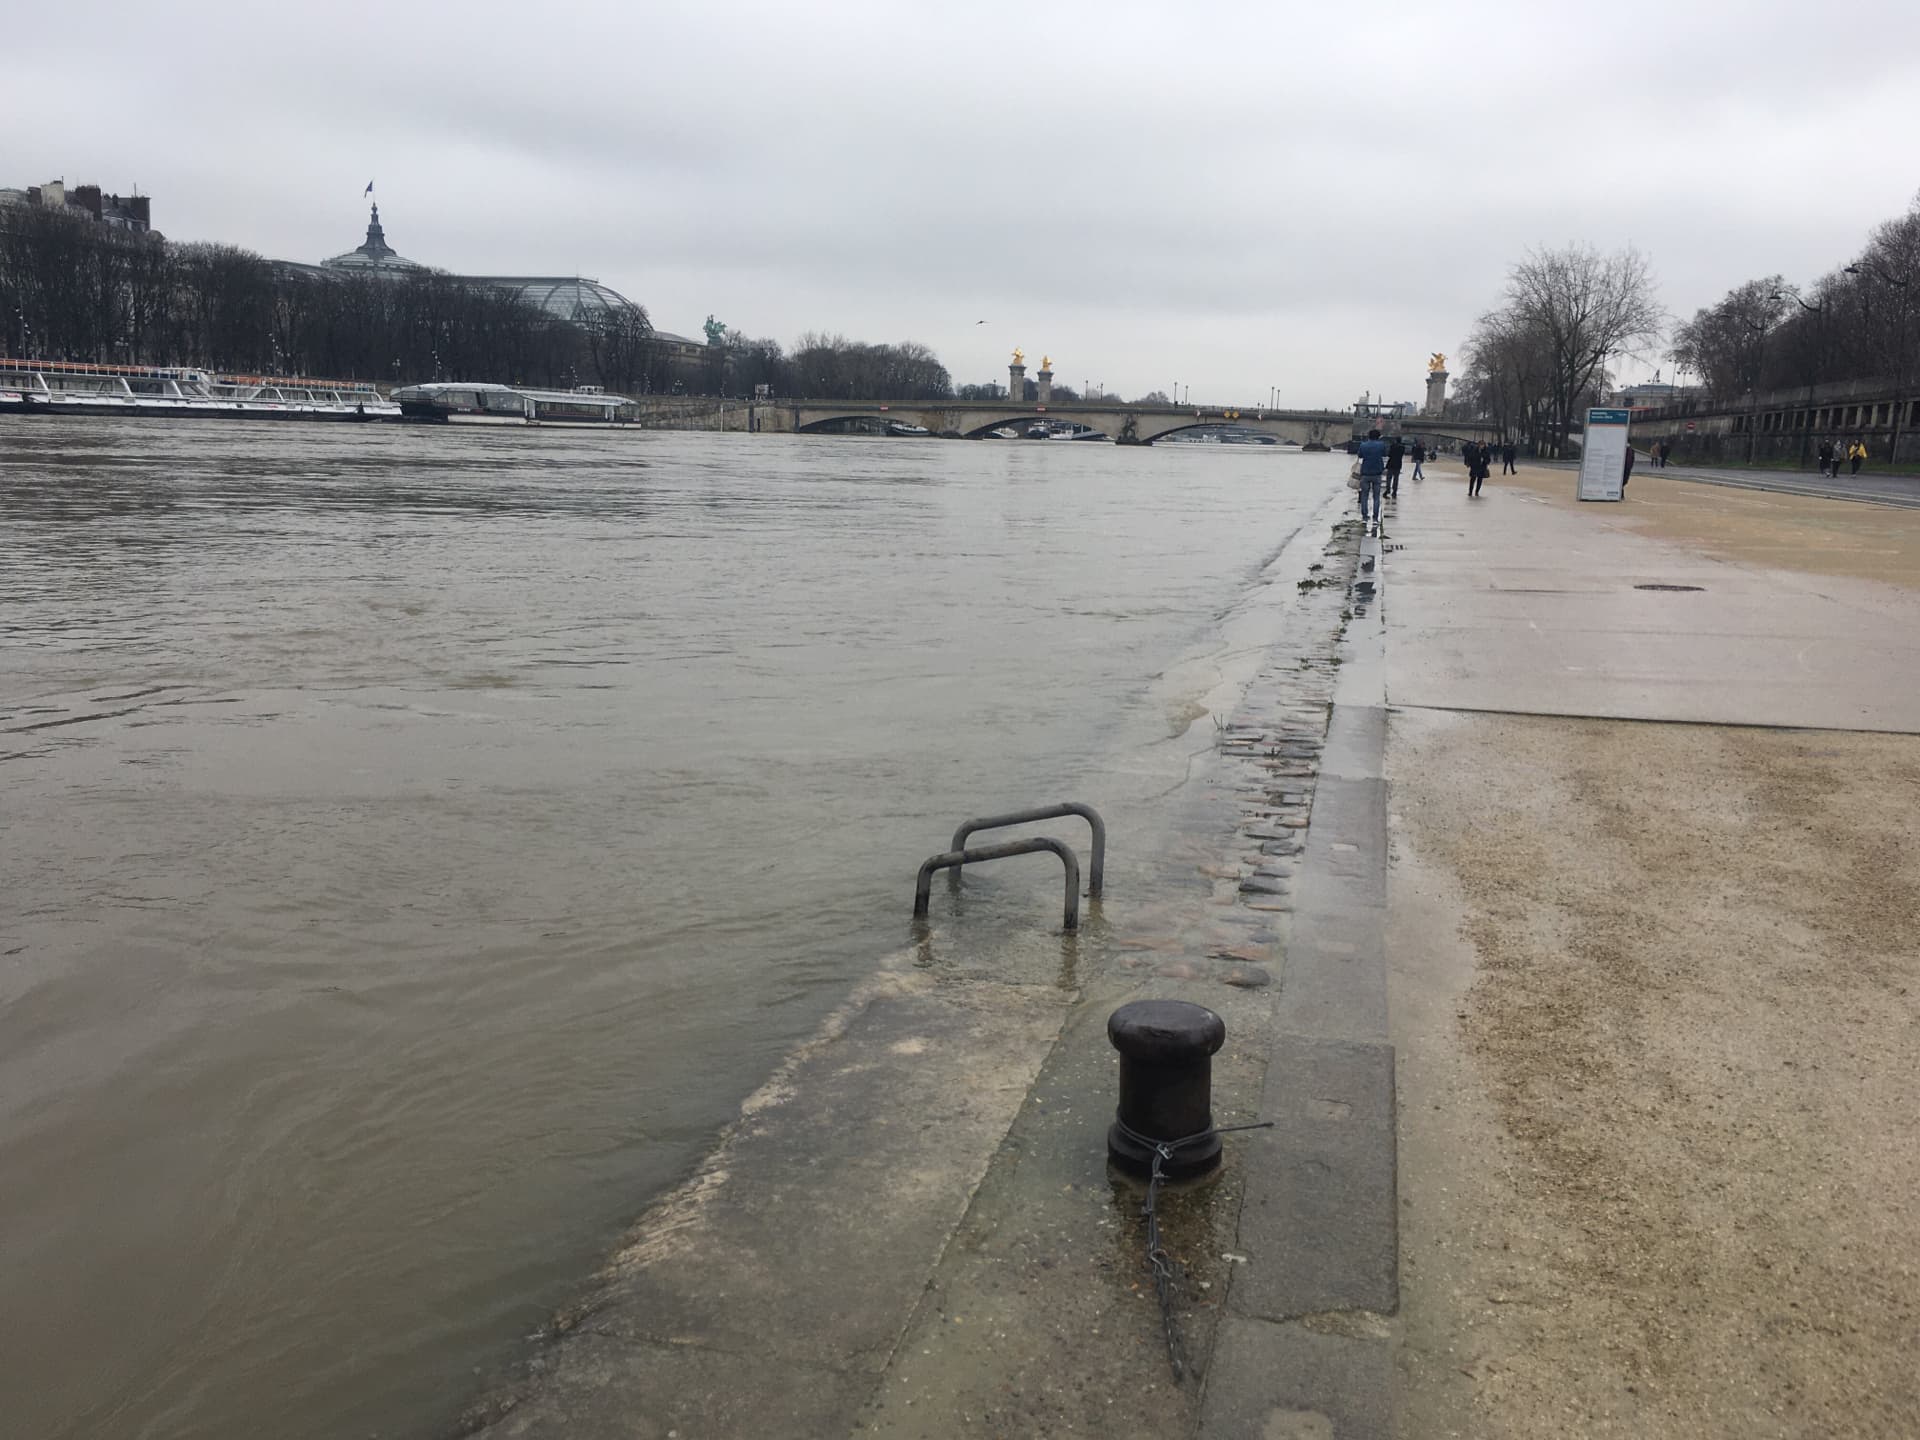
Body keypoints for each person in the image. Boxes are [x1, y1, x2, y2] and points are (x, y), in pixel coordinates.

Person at [1355, 428, 1387, 533]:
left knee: (1364, 496)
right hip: (1377, 473)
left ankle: (1365, 517)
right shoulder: (1381, 445)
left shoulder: (1363, 445)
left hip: (1365, 473)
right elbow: (1385, 454)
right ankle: (1375, 519)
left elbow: (1359, 455)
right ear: (1378, 436)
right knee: (1376, 497)